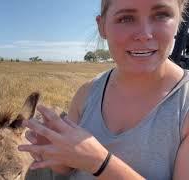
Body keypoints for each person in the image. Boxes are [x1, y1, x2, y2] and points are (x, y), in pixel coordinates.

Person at [18, 0, 189, 179]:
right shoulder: (87, 93)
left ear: (179, 21)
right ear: (102, 27)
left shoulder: (183, 105)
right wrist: (56, 154)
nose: (144, 34)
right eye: (126, 18)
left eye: (161, 15)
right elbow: (69, 168)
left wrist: (99, 162)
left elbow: (90, 161)